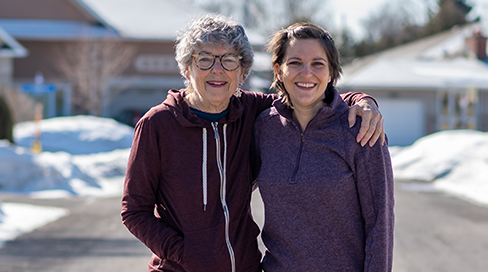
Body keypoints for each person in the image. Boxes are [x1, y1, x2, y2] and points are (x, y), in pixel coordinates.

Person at [121, 14, 384, 272]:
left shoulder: (251, 111)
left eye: (229, 60)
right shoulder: (158, 124)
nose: (217, 70)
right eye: (204, 60)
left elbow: (306, 91)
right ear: (187, 69)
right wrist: (183, 253)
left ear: (242, 71)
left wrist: (362, 100)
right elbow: (134, 211)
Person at [253, 22, 395, 272]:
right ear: (278, 70)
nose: (306, 73)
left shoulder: (360, 130)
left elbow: (380, 224)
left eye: (318, 64)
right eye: (295, 63)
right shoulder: (264, 127)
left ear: (331, 73)